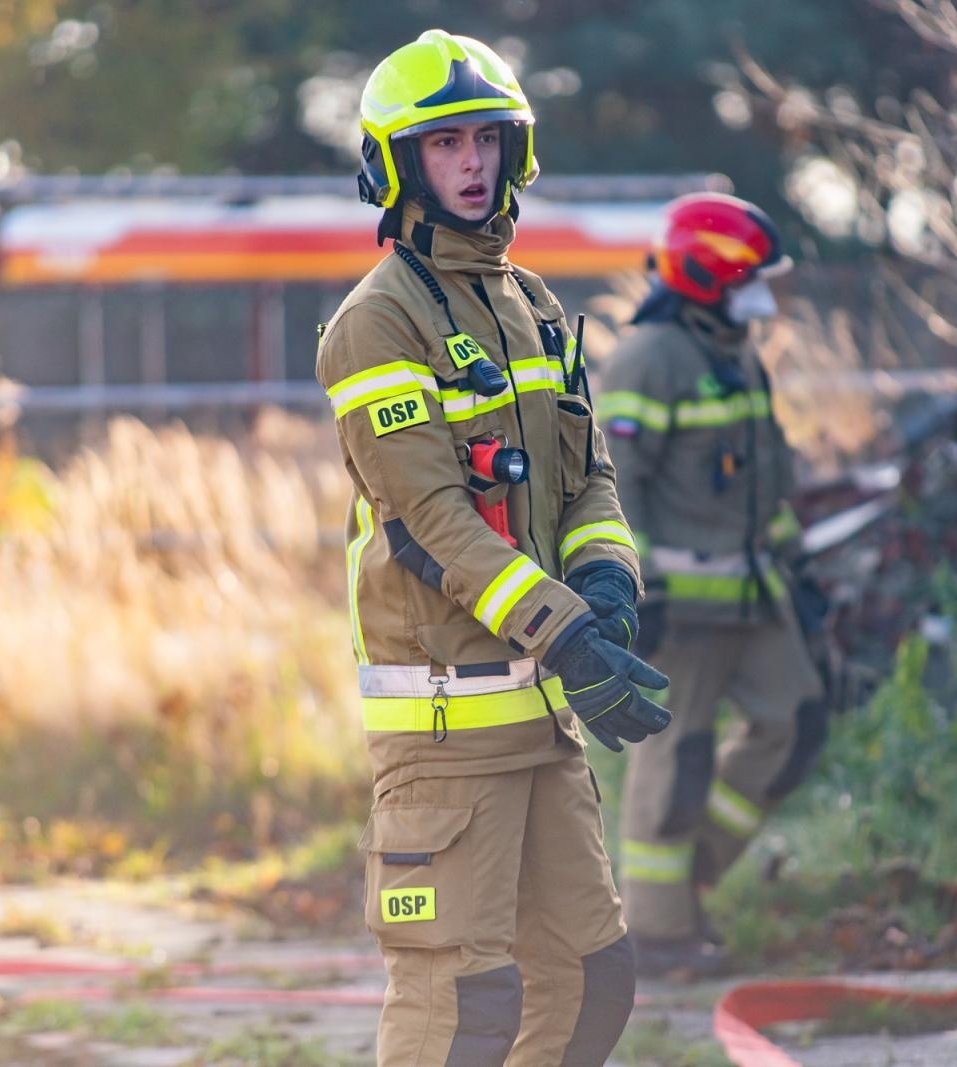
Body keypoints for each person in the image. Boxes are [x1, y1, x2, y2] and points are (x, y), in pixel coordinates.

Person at [315, 29, 671, 1066]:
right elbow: (434, 520)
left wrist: (606, 584)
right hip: (443, 730)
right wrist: (567, 634)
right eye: (443, 145)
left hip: (541, 719)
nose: (470, 163)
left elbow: (587, 473)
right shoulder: (375, 324)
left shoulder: (532, 305)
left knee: (589, 980)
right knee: (460, 1007)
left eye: (485, 139)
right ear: (396, 164)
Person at [598, 193, 830, 979]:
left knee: (795, 723)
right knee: (680, 757)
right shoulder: (647, 360)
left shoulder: (735, 353)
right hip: (683, 609)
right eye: (753, 277)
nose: (766, 293)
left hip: (754, 595)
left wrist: (795, 571)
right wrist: (639, 587)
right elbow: (611, 486)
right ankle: (658, 934)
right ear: (708, 274)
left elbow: (766, 482)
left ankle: (689, 874)